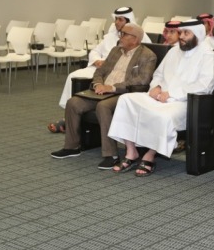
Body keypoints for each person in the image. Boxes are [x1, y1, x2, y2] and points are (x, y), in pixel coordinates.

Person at [109, 19, 214, 176]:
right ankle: (131, 151)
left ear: (197, 35)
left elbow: (205, 86)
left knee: (162, 115)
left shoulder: (208, 56)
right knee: (126, 100)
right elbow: (159, 74)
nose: (181, 36)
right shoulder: (174, 51)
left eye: (186, 33)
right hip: (160, 96)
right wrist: (157, 86)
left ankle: (150, 155)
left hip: (185, 102)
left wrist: (172, 93)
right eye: (181, 33)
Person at [50, 23, 157, 169]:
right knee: (73, 103)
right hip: (101, 91)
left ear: (135, 39)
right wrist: (98, 85)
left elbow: (142, 80)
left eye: (124, 34)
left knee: (103, 106)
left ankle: (111, 155)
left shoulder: (147, 55)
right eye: (121, 33)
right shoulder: (115, 51)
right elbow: (100, 72)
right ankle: (72, 147)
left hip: (124, 93)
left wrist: (112, 87)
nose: (120, 37)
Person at [51, 6, 151, 130]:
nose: (117, 23)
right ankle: (70, 117)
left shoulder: (140, 38)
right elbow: (95, 51)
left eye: (120, 20)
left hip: (119, 74)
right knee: (73, 76)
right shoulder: (109, 37)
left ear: (128, 21)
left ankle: (71, 120)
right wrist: (97, 60)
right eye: (116, 19)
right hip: (100, 68)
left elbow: (142, 61)